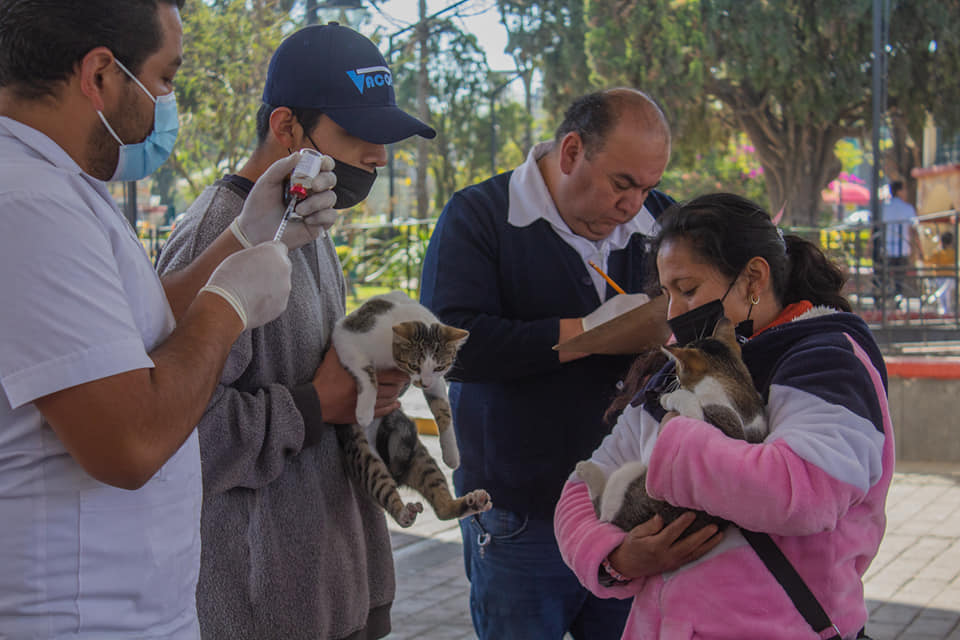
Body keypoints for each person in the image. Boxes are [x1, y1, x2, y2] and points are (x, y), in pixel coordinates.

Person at [0, 1, 335, 636]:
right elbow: (129, 443)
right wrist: (227, 309)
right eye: (165, 79)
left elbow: (131, 331)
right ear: (100, 73)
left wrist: (247, 234)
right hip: (78, 616)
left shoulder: (58, 187)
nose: (165, 102)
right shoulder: (28, 205)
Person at [157, 23, 436, 640]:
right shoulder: (220, 235)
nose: (379, 156)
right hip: (263, 610)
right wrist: (313, 405)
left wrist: (366, 382)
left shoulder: (308, 220)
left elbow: (324, 384)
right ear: (287, 128)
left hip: (331, 592)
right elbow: (171, 435)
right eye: (359, 134)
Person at [420, 88, 697, 639]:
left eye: (648, 187)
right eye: (622, 184)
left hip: (630, 508)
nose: (633, 205)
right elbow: (444, 347)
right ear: (571, 152)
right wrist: (593, 335)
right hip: (520, 511)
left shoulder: (660, 222)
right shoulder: (479, 215)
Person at [555, 193, 893, 639]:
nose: (674, 312)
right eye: (666, 293)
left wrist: (673, 447)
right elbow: (584, 484)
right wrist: (616, 559)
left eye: (688, 289)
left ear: (754, 278)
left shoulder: (827, 362)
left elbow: (802, 491)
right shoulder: (678, 369)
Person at [879, 180, 922, 300]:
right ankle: (897, 298)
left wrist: (869, 246)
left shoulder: (883, 207)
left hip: (887, 248)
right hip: (903, 248)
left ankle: (886, 299)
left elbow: (877, 228)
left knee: (885, 276)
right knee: (899, 278)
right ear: (899, 191)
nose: (906, 192)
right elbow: (913, 230)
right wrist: (918, 248)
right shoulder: (908, 208)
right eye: (904, 189)